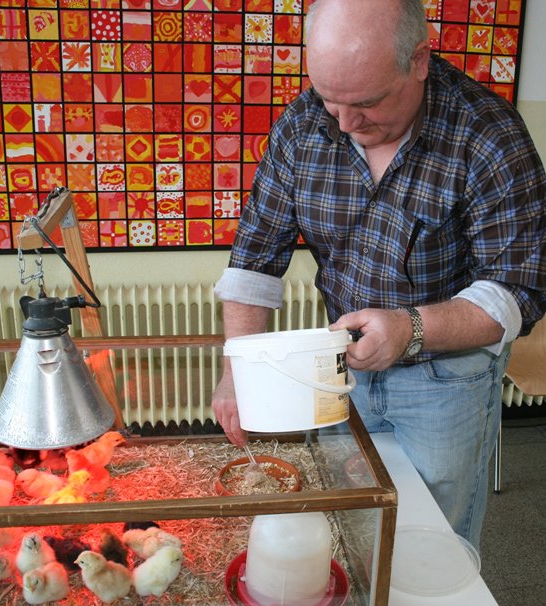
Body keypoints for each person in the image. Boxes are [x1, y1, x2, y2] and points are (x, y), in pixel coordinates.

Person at [212, 0, 545, 551]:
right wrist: (235, 371)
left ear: (419, 60)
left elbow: (516, 291)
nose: (345, 123)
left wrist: (411, 328)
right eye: (330, 99)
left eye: (366, 103)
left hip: (447, 378)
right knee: (348, 518)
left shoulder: (488, 133)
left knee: (432, 539)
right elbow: (254, 259)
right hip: (339, 370)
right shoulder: (303, 124)